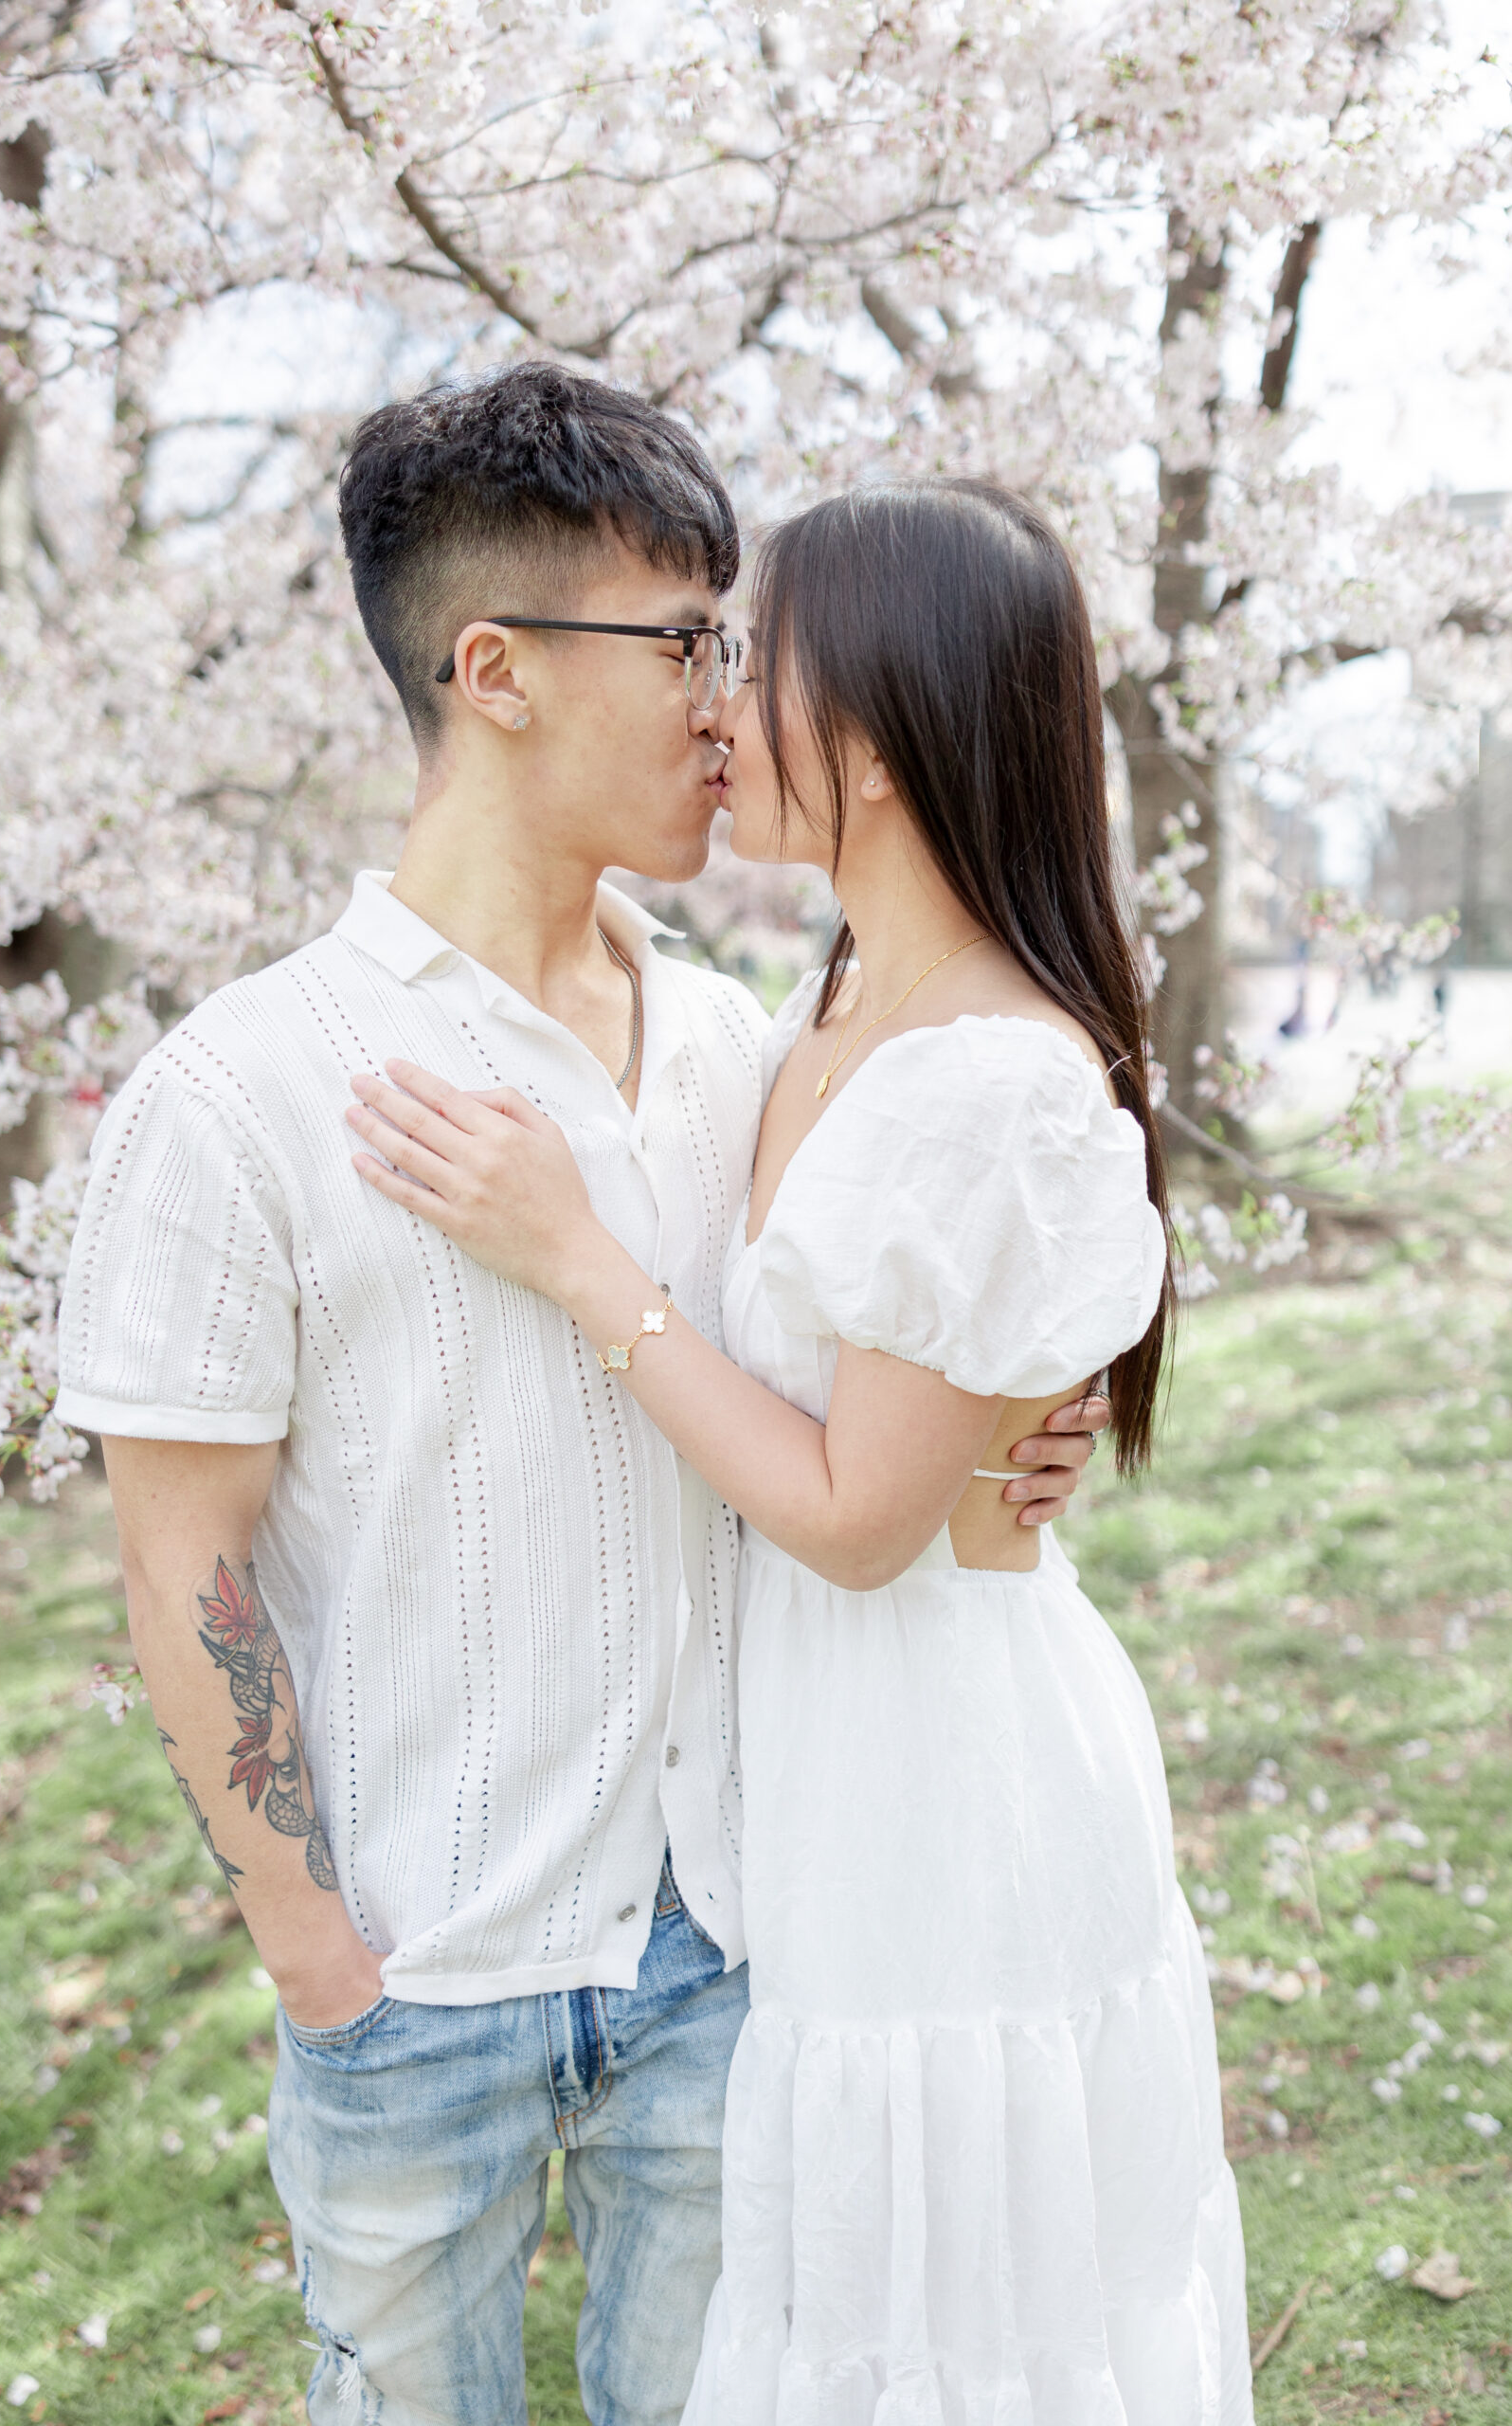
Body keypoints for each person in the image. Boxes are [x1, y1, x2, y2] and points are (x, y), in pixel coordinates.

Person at [53, 369, 1105, 2426]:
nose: (731, 697)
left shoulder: (749, 1050)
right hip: (412, 1987)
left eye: (736, 638)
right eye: (684, 639)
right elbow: (181, 1551)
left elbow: (848, 1388)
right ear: (494, 669)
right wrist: (308, 1949)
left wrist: (1003, 1440)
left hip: (732, 1946)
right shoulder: (238, 1089)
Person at [348, 480, 1253, 2421]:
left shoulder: (991, 1078)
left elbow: (853, 1518)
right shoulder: (815, 1014)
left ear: (889, 710)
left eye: (757, 662)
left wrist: (578, 1262)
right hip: (831, 1767)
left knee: (942, 2310)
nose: (718, 705)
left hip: (946, 1784)